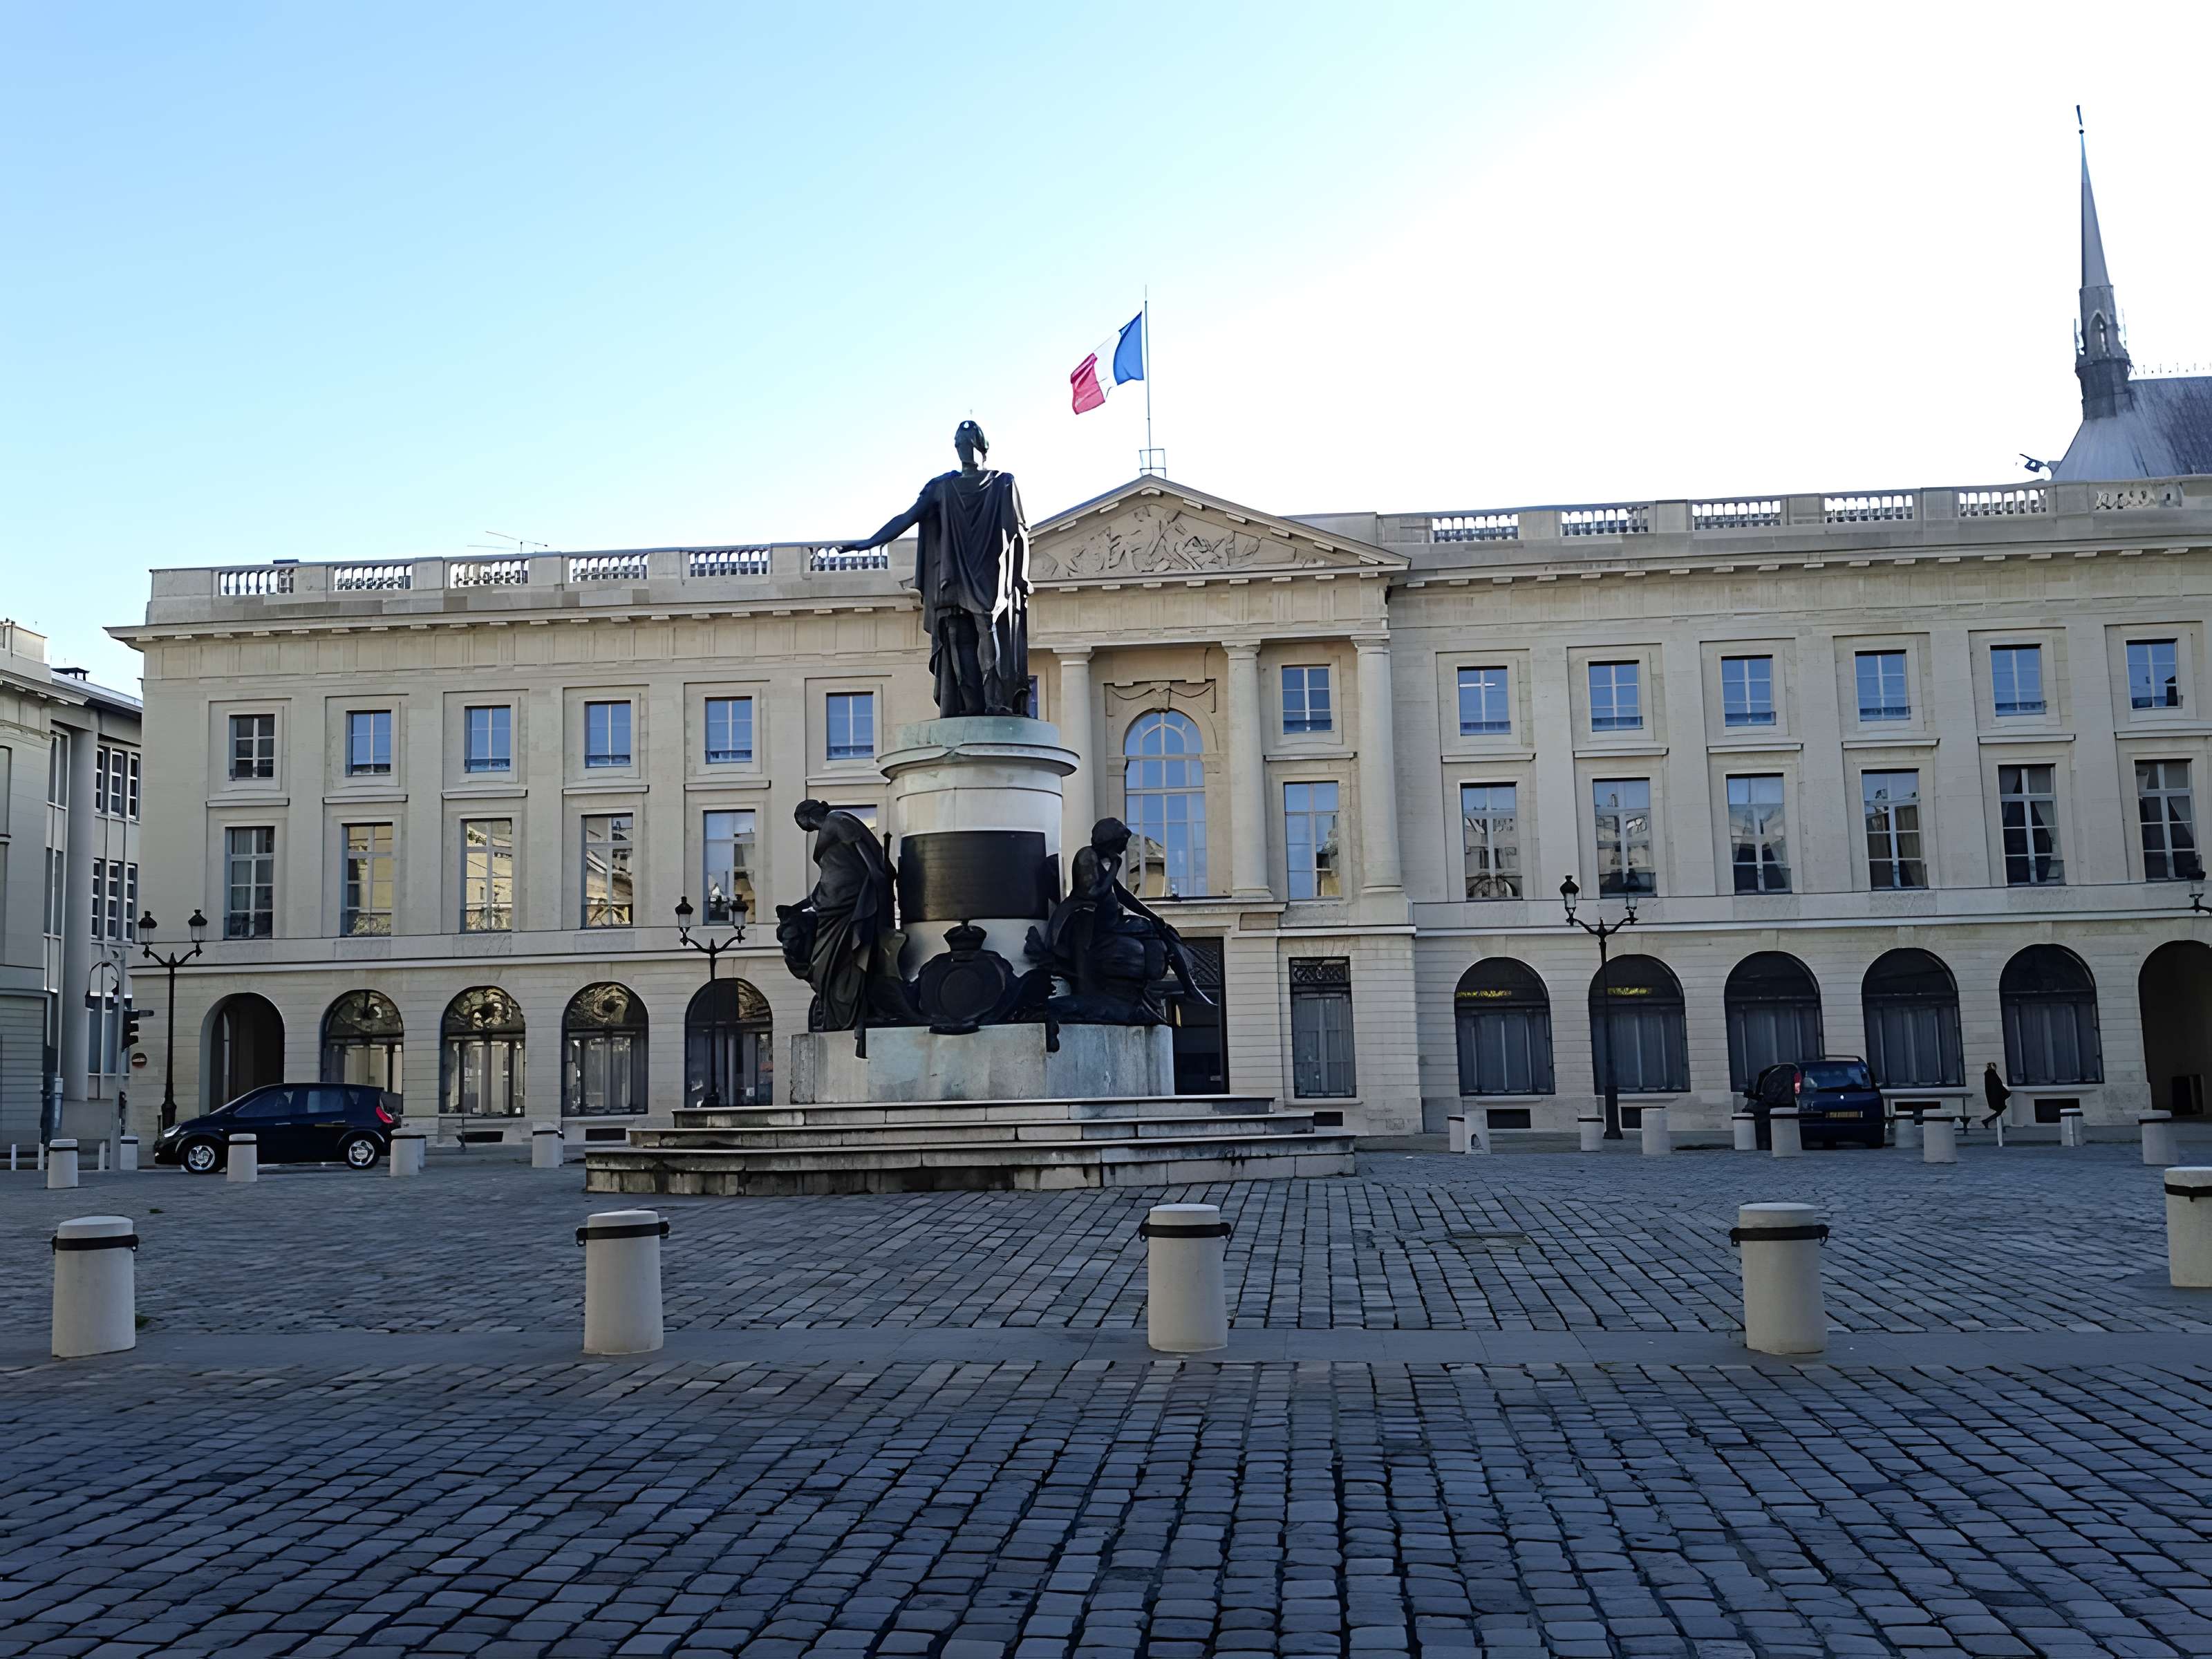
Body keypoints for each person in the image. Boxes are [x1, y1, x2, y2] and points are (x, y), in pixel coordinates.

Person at [838, 420, 1031, 718]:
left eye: (969, 445)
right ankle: (968, 705)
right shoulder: (942, 488)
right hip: (951, 576)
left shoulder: (1003, 483)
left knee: (988, 631)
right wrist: (870, 542)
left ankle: (996, 702)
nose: (965, 450)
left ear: (982, 448)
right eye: (960, 445)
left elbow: (1018, 533)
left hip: (987, 573)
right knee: (955, 637)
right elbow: (907, 517)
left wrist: (1020, 577)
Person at [1982, 1061, 2012, 1128]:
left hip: (1994, 1096)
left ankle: (1990, 1122)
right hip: (1997, 1096)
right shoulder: (1992, 1075)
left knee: (2000, 1111)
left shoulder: (1989, 1075)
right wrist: (2006, 1092)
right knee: (2000, 1110)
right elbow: (1997, 1086)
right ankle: (1987, 1121)